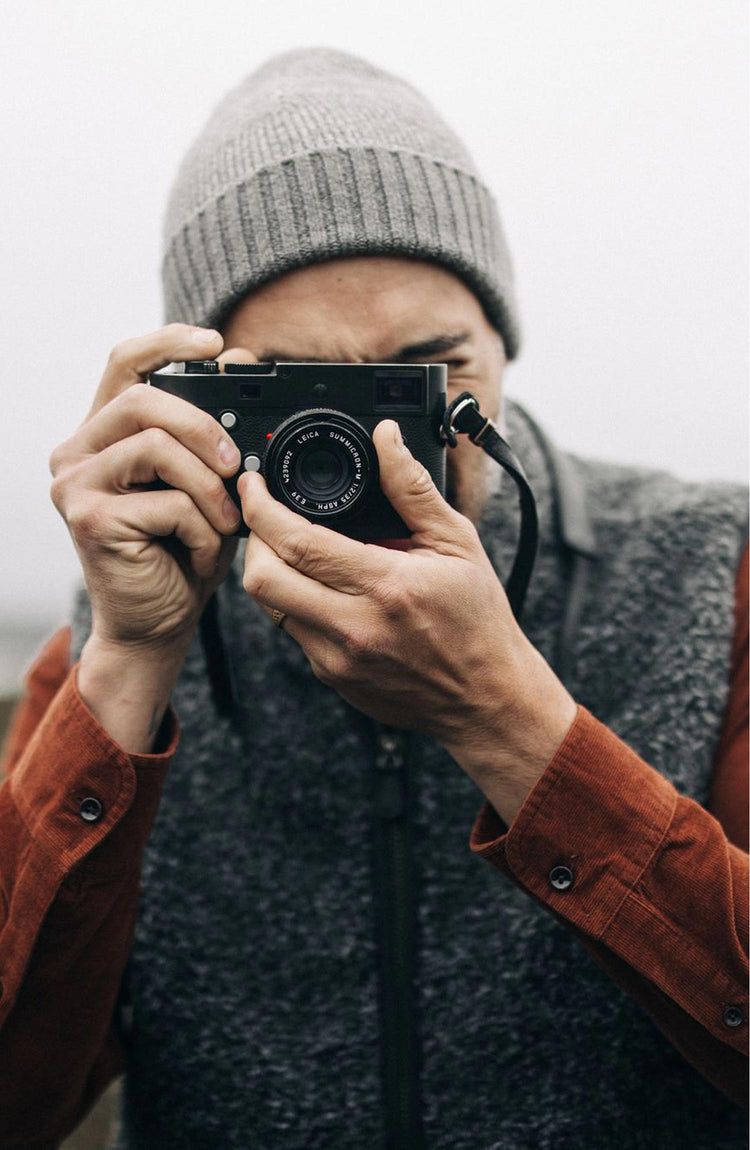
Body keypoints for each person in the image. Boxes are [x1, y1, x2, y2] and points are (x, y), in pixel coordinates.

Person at [0, 47, 747, 1149]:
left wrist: (508, 719)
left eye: (423, 376)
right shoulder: (129, 629)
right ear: (200, 395)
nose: (371, 441)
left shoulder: (707, 570)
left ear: (503, 345)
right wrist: (129, 660)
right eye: (299, 391)